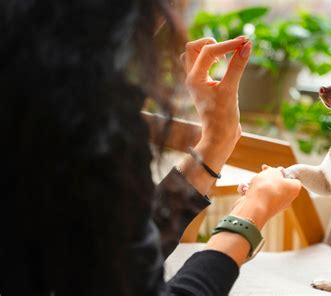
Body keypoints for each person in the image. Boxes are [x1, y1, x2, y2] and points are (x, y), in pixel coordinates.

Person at [0, 1, 301, 295]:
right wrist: (252, 212)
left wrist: (215, 143)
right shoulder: (87, 118)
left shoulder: (35, 96)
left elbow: (113, 257)